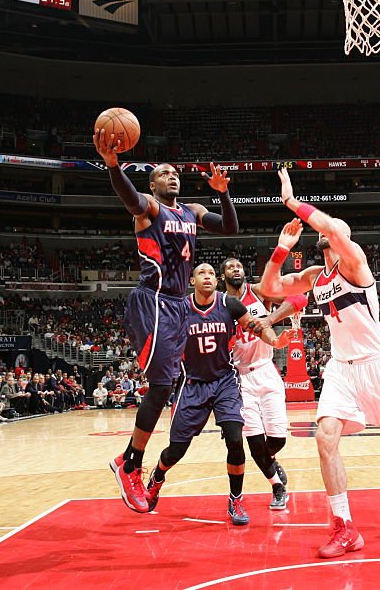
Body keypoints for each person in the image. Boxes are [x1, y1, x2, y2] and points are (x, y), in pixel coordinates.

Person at [258, 169, 380, 559]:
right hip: (341, 367)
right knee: (325, 438)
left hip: (376, 365)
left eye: (333, 229)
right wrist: (281, 250)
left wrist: (290, 200)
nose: (326, 232)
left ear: (341, 236)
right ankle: (344, 527)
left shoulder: (355, 264)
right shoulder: (315, 276)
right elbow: (269, 288)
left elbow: (328, 224)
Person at [95, 125, 239, 515]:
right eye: (163, 172)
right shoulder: (149, 208)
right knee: (160, 384)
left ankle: (127, 460)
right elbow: (128, 197)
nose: (172, 175)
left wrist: (224, 194)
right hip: (154, 300)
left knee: (165, 384)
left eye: (175, 172)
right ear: (153, 184)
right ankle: (130, 464)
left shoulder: (191, 211)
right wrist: (113, 167)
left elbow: (230, 227)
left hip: (179, 306)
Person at [143, 264, 293, 525]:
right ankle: (157, 477)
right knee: (176, 450)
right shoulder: (180, 308)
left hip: (225, 381)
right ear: (192, 280)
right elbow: (160, 338)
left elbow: (257, 326)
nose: (208, 277)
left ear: (217, 279)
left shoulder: (229, 304)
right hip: (193, 384)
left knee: (235, 440)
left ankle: (235, 500)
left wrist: (275, 341)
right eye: (202, 273)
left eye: (211, 273)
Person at [222, 256, 300, 510]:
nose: (236, 269)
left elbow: (298, 299)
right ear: (224, 275)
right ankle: (278, 486)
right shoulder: (220, 304)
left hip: (266, 371)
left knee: (277, 439)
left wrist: (271, 320)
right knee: (254, 440)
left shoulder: (259, 293)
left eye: (239, 266)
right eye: (231, 267)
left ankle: (270, 460)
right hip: (239, 377)